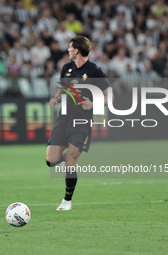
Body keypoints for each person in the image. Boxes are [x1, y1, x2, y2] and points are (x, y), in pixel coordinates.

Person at [46, 36, 113, 211]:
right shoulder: (66, 68)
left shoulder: (95, 71)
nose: (67, 50)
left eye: (69, 47)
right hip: (64, 118)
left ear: (77, 50)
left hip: (82, 122)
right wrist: (56, 98)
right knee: (50, 160)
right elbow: (63, 87)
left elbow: (110, 96)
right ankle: (62, 158)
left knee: (71, 162)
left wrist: (94, 104)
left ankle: (67, 201)